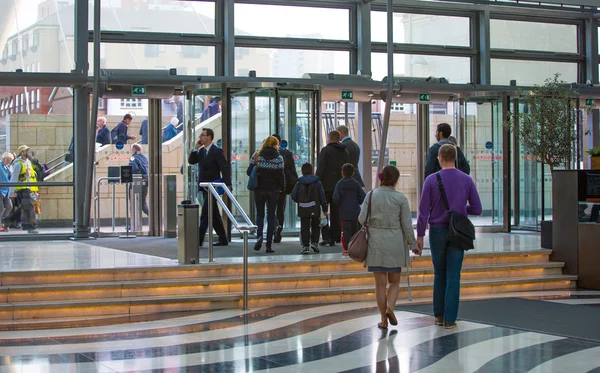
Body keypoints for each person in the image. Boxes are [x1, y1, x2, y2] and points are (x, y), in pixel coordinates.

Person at [417, 144, 482, 329]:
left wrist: (420, 236)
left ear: (440, 158)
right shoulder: (466, 180)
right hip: (458, 232)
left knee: (439, 273)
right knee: (454, 275)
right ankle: (450, 319)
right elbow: (477, 208)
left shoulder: (431, 180)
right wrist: (460, 212)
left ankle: (437, 315)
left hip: (437, 231)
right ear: (455, 158)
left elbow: (423, 212)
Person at [359, 165, 417, 329]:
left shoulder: (370, 195)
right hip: (395, 241)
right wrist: (413, 243)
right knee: (395, 281)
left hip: (375, 243)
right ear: (396, 180)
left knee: (380, 284)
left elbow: (361, 218)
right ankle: (390, 308)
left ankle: (383, 320)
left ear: (380, 177)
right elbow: (407, 224)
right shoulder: (401, 198)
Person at [188, 128, 231, 247]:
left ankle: (199, 239)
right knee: (214, 214)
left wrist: (227, 185)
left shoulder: (217, 151)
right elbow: (191, 161)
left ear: (209, 137)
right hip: (203, 186)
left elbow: (224, 168)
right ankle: (223, 238)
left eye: (203, 135)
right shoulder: (201, 151)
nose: (200, 137)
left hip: (213, 187)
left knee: (206, 213)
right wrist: (195, 149)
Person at [247, 136, 285, 253]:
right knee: (271, 216)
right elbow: (281, 175)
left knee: (260, 214)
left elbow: (249, 172)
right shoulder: (279, 158)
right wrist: (282, 188)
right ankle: (269, 244)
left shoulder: (256, 155)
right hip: (273, 191)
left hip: (259, 189)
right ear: (275, 145)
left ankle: (259, 237)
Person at [316, 130, 350, 246]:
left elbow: (321, 167)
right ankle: (336, 237)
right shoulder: (345, 152)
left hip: (326, 186)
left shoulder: (326, 151)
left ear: (330, 138)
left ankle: (326, 237)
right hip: (340, 186)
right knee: (336, 212)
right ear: (339, 138)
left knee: (324, 212)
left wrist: (317, 181)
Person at [291, 163, 327, 255]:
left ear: (302, 172)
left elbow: (294, 196)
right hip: (314, 207)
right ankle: (314, 243)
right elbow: (322, 196)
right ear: (312, 171)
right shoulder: (317, 182)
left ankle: (305, 246)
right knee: (315, 225)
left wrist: (300, 201)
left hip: (303, 207)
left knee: (304, 227)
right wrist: (324, 208)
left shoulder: (299, 182)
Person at [333, 163, 366, 255]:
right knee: (355, 230)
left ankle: (347, 248)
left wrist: (339, 204)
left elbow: (335, 198)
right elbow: (363, 196)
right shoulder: (356, 183)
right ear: (353, 173)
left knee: (346, 231)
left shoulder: (339, 184)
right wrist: (358, 202)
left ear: (342, 173)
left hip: (344, 212)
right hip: (355, 212)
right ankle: (355, 247)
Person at [271, 133, 298, 243]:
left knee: (271, 209)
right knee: (280, 209)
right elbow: (292, 170)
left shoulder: (265, 153)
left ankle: (273, 229)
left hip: (270, 186)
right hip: (283, 185)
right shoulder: (287, 153)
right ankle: (279, 230)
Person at [9, 145, 39, 234]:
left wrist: (34, 189)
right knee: (30, 208)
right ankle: (31, 227)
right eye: (27, 151)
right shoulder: (18, 164)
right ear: (22, 153)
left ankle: (9, 221)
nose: (29, 153)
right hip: (21, 189)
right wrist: (11, 192)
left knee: (24, 208)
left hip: (27, 188)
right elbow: (13, 178)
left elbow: (30, 177)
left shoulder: (28, 162)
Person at [129, 144, 149, 215]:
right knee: (143, 202)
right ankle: (153, 216)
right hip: (145, 182)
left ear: (134, 149)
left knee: (133, 201)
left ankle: (133, 222)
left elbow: (133, 169)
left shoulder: (133, 158)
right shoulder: (145, 158)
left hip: (136, 181)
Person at [0, 152, 14, 232]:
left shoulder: (8, 167)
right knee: (1, 208)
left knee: (9, 206)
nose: (10, 162)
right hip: (0, 189)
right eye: (9, 160)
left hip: (6, 189)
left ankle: (2, 222)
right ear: (5, 159)